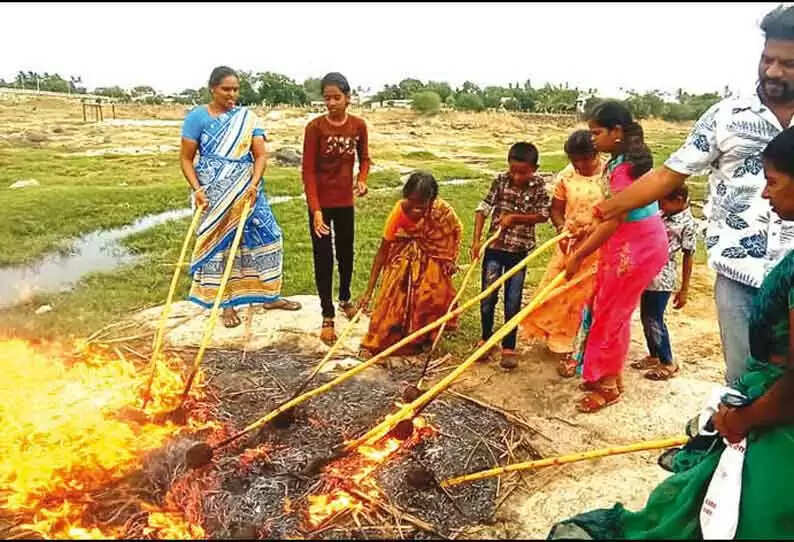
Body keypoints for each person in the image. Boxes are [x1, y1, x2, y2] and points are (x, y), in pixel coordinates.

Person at [547, 126, 794, 540]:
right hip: (769, 405)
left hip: (778, 419)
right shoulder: (620, 170)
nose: (766, 195)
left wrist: (743, 418)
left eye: (772, 182)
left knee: (746, 516)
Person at [593, 4, 794, 386]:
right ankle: (744, 443)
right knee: (744, 380)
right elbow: (670, 173)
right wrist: (608, 208)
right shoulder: (726, 116)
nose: (772, 71)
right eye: (767, 59)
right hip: (741, 274)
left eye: (787, 63)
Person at [564, 102, 668, 413]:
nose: (592, 138)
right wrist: (586, 232)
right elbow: (609, 215)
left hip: (636, 247)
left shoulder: (623, 170)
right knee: (607, 307)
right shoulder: (621, 161)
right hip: (632, 242)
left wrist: (578, 256)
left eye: (597, 132)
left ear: (617, 132)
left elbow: (613, 220)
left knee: (611, 313)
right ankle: (608, 375)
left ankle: (608, 386)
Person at [180, 66, 300, 328]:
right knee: (222, 246)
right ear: (213, 88)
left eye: (235, 89)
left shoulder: (248, 118)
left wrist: (254, 184)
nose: (231, 94)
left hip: (248, 190)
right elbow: (186, 159)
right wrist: (198, 189)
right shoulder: (196, 118)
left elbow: (260, 155)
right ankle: (227, 304)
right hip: (213, 193)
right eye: (226, 89)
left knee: (269, 236)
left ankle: (269, 295)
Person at [520, 130, 607, 377]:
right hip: (568, 245)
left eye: (585, 159)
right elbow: (555, 209)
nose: (580, 165)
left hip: (598, 247)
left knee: (585, 299)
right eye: (574, 160)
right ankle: (558, 340)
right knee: (557, 294)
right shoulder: (566, 176)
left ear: (596, 153)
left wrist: (589, 236)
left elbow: (613, 215)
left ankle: (578, 349)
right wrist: (562, 228)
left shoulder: (609, 176)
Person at [357, 172, 463, 357]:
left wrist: (450, 260)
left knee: (431, 295)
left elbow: (453, 232)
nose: (416, 211)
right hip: (403, 257)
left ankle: (422, 337)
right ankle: (384, 338)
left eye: (421, 207)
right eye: (412, 205)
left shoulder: (442, 211)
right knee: (395, 298)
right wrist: (369, 291)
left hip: (431, 256)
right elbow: (382, 252)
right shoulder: (398, 211)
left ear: (431, 200)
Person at [302, 72, 371, 344]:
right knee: (323, 258)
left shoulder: (358, 126)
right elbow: (308, 171)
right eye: (327, 97)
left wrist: (362, 179)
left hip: (345, 202)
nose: (331, 103)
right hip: (320, 204)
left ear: (348, 98)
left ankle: (344, 298)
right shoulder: (315, 128)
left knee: (345, 253)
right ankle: (327, 314)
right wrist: (315, 209)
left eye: (336, 97)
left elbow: (364, 159)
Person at [472, 142, 551, 370]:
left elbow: (544, 214)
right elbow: (483, 207)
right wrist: (477, 241)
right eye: (513, 170)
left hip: (518, 252)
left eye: (523, 172)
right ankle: (485, 339)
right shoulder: (500, 180)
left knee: (513, 300)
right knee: (487, 297)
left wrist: (515, 218)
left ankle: (509, 346)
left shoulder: (537, 186)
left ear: (534, 168)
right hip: (495, 249)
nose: (517, 176)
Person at [632, 185, 697, 381]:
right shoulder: (662, 213)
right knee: (646, 316)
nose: (660, 205)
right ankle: (654, 355)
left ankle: (668, 361)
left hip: (662, 278)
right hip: (646, 273)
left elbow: (689, 255)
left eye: (663, 201)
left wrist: (684, 289)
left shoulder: (687, 223)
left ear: (678, 200)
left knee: (655, 319)